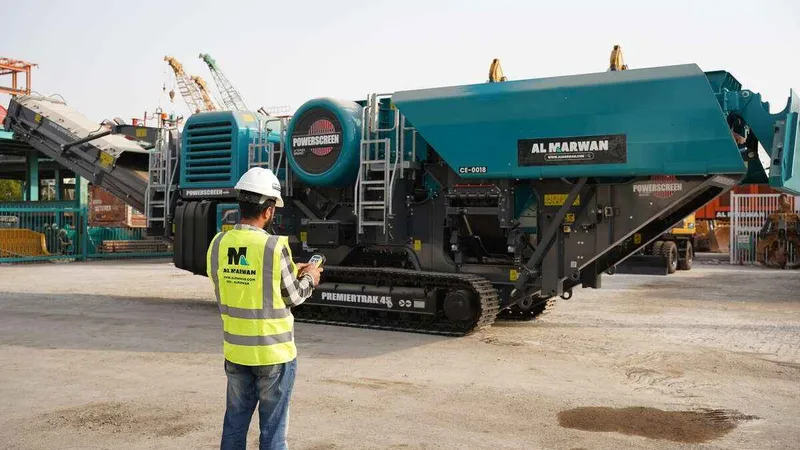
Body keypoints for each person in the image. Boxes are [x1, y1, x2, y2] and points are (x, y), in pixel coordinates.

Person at [206, 167, 323, 450]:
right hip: (274, 353)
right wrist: (310, 277)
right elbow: (293, 296)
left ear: (241, 204)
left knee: (234, 424)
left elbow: (243, 284)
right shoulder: (273, 247)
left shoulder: (218, 243)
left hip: (236, 351)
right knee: (272, 433)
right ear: (269, 210)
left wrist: (292, 270)